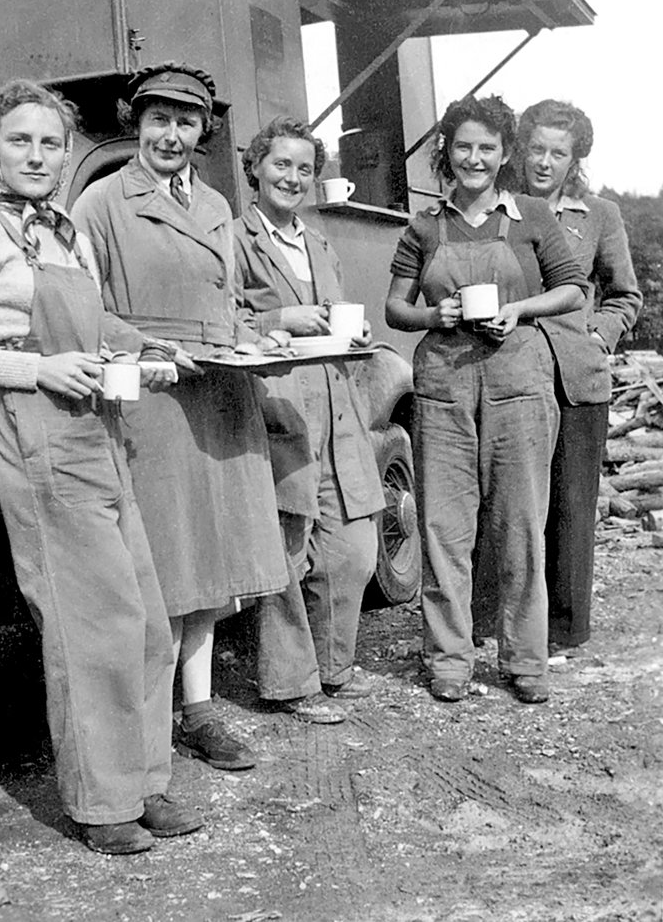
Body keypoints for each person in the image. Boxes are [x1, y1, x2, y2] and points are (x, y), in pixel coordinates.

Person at [0, 79, 202, 855]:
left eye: (50, 143)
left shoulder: (65, 228)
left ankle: (145, 782)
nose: (37, 156)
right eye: (21, 141)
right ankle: (102, 805)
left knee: (140, 615)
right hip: (38, 431)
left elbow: (91, 319)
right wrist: (33, 369)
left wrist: (143, 344)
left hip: (99, 427)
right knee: (88, 626)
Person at [71, 63, 288, 769]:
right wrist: (152, 346)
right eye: (158, 118)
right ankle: (148, 728)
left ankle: (198, 710)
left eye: (186, 121)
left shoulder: (219, 207)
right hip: (155, 398)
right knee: (159, 565)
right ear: (135, 122)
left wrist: (257, 340)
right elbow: (83, 309)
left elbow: (224, 304)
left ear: (204, 131)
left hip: (219, 396)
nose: (171, 134)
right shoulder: (101, 204)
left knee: (208, 560)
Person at [384, 94, 588, 705]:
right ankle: (449, 657)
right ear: (447, 149)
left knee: (520, 524)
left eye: (488, 148)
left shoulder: (529, 215)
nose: (474, 158)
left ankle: (525, 659)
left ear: (505, 156)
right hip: (444, 388)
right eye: (464, 145)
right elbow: (395, 308)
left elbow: (574, 290)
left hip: (518, 385)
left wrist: (519, 308)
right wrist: (433, 312)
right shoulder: (423, 225)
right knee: (444, 527)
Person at [234, 117, 385, 723]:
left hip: (336, 402)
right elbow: (218, 322)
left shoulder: (319, 241)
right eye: (281, 165)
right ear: (256, 169)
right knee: (286, 547)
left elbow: (337, 317)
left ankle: (334, 666)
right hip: (278, 405)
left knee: (353, 547)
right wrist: (279, 321)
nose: (292, 177)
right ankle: (292, 683)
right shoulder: (232, 237)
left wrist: (361, 332)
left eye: (304, 168)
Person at [514, 100, 640, 653]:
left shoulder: (600, 215)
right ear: (520, 150)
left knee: (569, 508)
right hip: (511, 372)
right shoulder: (500, 208)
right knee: (511, 502)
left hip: (575, 380)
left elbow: (624, 294)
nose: (544, 162)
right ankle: (497, 626)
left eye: (557, 153)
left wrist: (597, 337)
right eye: (536, 149)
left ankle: (563, 633)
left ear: (575, 157)